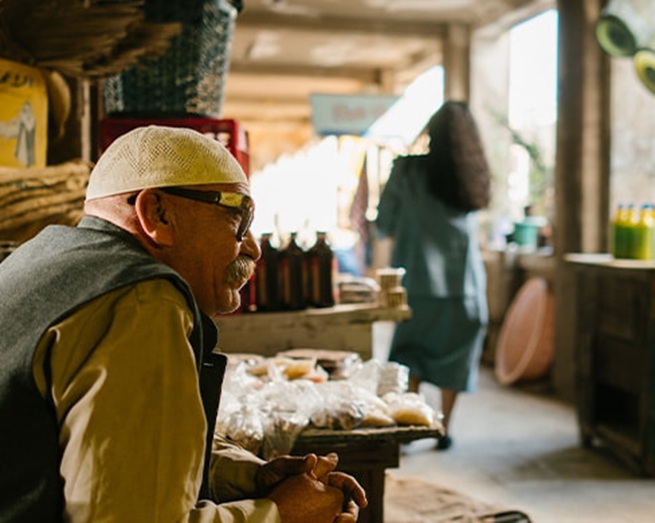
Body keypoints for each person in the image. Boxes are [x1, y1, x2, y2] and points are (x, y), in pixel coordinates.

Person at [0, 125, 367, 521]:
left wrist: (251, 477)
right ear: (158, 213)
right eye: (238, 217)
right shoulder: (141, 301)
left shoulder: (39, 258)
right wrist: (280, 514)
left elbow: (118, 454)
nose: (253, 246)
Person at [376, 101, 491, 451]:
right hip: (466, 287)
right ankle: (442, 427)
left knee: (411, 356)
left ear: (432, 132)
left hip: (420, 284)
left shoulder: (407, 171)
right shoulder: (473, 176)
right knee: (456, 360)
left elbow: (384, 223)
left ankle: (411, 426)